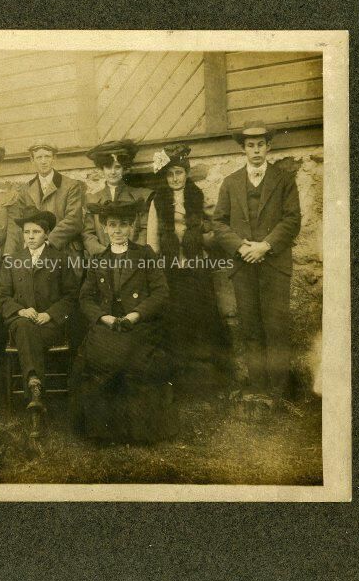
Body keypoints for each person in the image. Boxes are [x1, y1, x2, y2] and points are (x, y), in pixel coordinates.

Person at [73, 200, 177, 443]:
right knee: (99, 358)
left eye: (123, 225)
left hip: (139, 324)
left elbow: (161, 292)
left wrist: (135, 315)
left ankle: (139, 431)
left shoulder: (145, 254)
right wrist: (103, 317)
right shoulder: (98, 259)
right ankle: (103, 431)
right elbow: (85, 298)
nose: (117, 230)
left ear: (131, 227)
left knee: (133, 356)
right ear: (105, 228)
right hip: (108, 324)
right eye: (112, 225)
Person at [211, 121, 302, 401]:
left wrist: (265, 246)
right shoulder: (230, 182)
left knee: (276, 326)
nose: (256, 150)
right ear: (243, 149)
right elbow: (219, 223)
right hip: (243, 265)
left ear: (269, 147)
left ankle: (279, 389)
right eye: (250, 146)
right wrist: (241, 247)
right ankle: (258, 385)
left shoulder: (284, 180)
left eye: (260, 145)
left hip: (274, 263)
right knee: (250, 326)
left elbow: (292, 219)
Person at [147, 144, 235, 380]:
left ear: (186, 174)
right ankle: (179, 375)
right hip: (170, 269)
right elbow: (152, 239)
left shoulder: (197, 195)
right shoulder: (157, 201)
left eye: (179, 173)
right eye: (170, 174)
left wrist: (203, 237)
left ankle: (211, 375)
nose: (175, 179)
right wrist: (154, 267)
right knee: (174, 318)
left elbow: (216, 224)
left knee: (202, 315)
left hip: (196, 267)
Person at [0, 207, 79, 438]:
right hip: (21, 321)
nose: (30, 236)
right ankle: (36, 396)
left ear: (46, 234)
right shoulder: (13, 260)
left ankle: (32, 383)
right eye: (27, 232)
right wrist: (21, 310)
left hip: (50, 325)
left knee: (27, 333)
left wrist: (49, 314)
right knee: (23, 326)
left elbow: (72, 296)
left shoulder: (60, 260)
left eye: (36, 232)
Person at [4, 143, 85, 257]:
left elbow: (74, 220)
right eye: (39, 157)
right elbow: (17, 223)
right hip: (36, 253)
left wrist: (47, 242)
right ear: (32, 160)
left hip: (66, 250)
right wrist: (9, 253)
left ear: (54, 158)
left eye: (47, 156)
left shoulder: (71, 185)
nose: (43, 161)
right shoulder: (25, 190)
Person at [82, 139, 153, 257]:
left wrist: (132, 253)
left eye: (117, 167)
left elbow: (144, 229)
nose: (113, 172)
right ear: (102, 169)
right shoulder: (92, 199)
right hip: (103, 259)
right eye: (108, 167)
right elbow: (88, 233)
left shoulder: (140, 196)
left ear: (124, 169)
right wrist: (103, 253)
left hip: (132, 258)